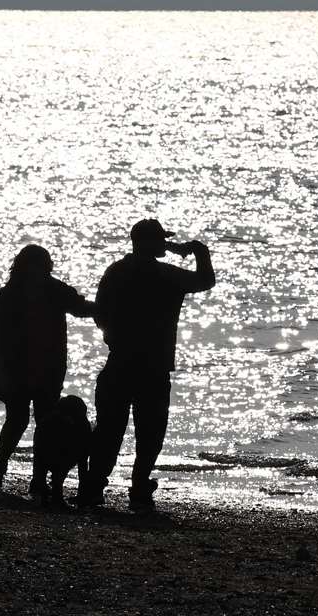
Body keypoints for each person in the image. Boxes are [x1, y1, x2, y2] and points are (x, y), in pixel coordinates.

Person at [77, 218, 215, 512]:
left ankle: (94, 486)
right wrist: (199, 251)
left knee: (108, 429)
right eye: (161, 240)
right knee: (150, 432)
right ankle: (139, 486)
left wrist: (114, 337)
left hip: (119, 361)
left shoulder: (115, 271)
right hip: (153, 365)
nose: (165, 245)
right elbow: (205, 281)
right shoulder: (165, 274)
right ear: (150, 243)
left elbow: (100, 313)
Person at [0, 244, 97, 496]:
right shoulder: (9, 295)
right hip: (15, 369)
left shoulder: (53, 290)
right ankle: (1, 466)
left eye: (43, 267)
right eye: (37, 266)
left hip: (47, 369)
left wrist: (106, 309)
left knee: (44, 421)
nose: (40, 272)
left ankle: (37, 479)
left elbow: (81, 308)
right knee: (19, 417)